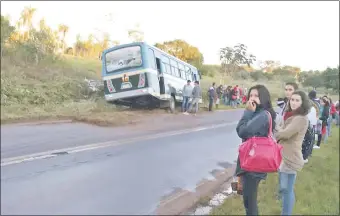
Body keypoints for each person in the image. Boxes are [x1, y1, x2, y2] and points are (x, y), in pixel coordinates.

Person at [234, 84, 277, 215]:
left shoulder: (263, 115)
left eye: (256, 96)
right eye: (251, 95)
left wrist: (247, 112)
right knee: (248, 200)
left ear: (263, 98)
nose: (252, 98)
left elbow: (241, 131)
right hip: (251, 159)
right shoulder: (257, 113)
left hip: (254, 163)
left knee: (250, 202)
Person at [275, 91, 310, 215]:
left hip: (291, 157)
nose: (294, 103)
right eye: (292, 100)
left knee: (287, 190)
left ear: (303, 102)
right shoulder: (291, 115)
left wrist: (277, 130)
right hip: (284, 155)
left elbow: (285, 134)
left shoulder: (300, 118)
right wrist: (281, 129)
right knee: (285, 189)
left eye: (297, 100)